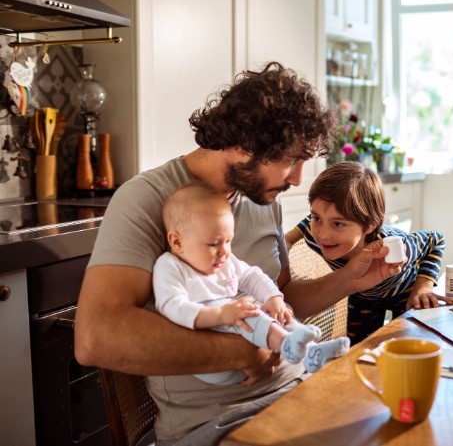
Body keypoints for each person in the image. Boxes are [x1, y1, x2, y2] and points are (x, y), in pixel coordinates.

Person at [74, 62, 402, 445]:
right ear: (245, 145)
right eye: (290, 160)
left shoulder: (261, 199)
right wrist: (241, 353)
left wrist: (353, 278)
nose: (298, 178)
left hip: (298, 388)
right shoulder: (146, 199)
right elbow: (97, 337)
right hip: (221, 423)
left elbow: (282, 298)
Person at [154, 184, 350, 386]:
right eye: (213, 244)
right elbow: (171, 305)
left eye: (228, 241)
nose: (224, 252)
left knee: (276, 313)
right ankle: (286, 344)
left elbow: (250, 275)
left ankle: (311, 351)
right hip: (215, 361)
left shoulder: (223, 261)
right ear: (177, 242)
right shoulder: (170, 266)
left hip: (241, 339)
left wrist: (273, 297)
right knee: (247, 311)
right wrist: (222, 314)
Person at [285, 161, 447, 345]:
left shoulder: (394, 247)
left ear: (370, 225)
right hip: (362, 296)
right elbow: (309, 221)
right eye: (317, 219)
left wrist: (422, 288)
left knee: (406, 344)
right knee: (360, 348)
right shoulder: (314, 235)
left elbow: (435, 239)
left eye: (338, 224)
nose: (323, 235)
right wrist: (289, 239)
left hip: (404, 293)